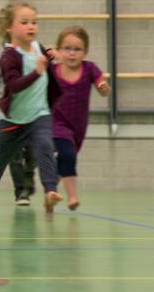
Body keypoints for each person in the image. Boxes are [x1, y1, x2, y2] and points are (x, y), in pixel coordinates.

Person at [0, 0, 63, 218]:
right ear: (9, 27)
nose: (31, 26)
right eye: (24, 22)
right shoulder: (8, 56)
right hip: (12, 119)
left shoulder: (38, 47)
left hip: (39, 114)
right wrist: (37, 71)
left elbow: (47, 63)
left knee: (45, 146)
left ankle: (50, 191)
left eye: (34, 22)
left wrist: (53, 57)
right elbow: (13, 85)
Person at [47, 25, 110, 211]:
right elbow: (36, 62)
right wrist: (48, 53)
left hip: (78, 127)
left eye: (77, 49)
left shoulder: (89, 69)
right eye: (67, 49)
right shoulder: (53, 71)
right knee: (67, 154)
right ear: (59, 50)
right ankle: (72, 197)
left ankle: (49, 194)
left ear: (85, 51)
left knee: (64, 162)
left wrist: (103, 88)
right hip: (57, 124)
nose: (72, 54)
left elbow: (102, 85)